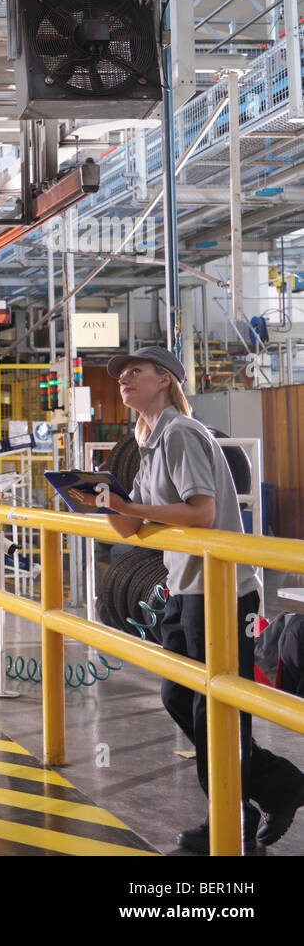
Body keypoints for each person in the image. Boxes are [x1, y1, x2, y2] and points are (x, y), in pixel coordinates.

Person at [72, 346, 304, 853]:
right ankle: (274, 783)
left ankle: (232, 817)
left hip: (221, 591)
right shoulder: (148, 439)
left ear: (166, 380)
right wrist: (101, 501)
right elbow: (134, 525)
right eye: (121, 375)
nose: (124, 380)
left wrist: (127, 503)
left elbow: (201, 513)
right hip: (186, 587)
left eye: (136, 372)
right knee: (181, 697)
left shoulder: (180, 434)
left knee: (214, 707)